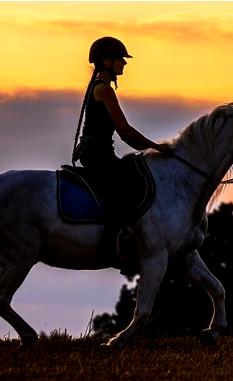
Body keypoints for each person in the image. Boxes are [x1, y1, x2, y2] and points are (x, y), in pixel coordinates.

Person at [72, 36, 169, 267]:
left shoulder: (99, 87)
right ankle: (115, 246)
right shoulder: (104, 90)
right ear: (106, 61)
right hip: (98, 155)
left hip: (98, 152)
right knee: (129, 190)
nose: (124, 64)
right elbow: (125, 132)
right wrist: (157, 148)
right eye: (121, 60)